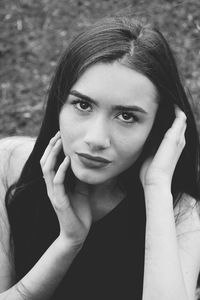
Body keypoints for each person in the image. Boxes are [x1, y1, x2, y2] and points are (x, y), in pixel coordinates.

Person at [0, 14, 200, 300]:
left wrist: (156, 188)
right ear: (60, 103)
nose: (95, 138)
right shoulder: (7, 168)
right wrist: (67, 243)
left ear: (160, 127)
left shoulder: (180, 214)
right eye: (82, 104)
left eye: (127, 116)